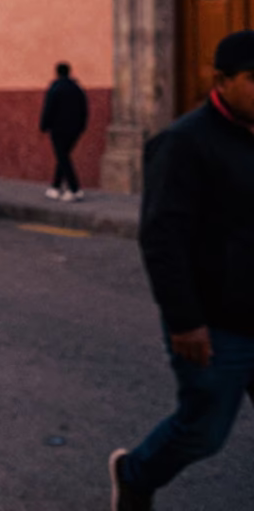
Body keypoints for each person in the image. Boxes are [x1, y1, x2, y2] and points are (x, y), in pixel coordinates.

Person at [109, 30, 254, 511]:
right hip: (216, 325)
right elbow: (162, 240)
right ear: (223, 80)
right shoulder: (183, 143)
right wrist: (185, 321)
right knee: (203, 432)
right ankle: (135, 473)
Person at [39, 61, 88, 202]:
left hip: (59, 129)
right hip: (75, 130)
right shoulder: (78, 89)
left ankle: (75, 189)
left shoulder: (55, 88)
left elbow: (48, 108)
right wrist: (82, 126)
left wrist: (43, 126)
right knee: (63, 157)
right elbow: (84, 109)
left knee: (63, 157)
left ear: (57, 73)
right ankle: (55, 187)